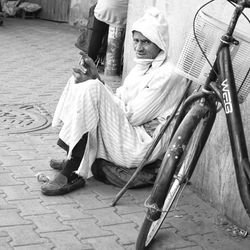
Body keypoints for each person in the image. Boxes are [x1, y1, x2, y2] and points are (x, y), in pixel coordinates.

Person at [41, 7, 188, 196]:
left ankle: (72, 169)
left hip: (139, 144)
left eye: (146, 42)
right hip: (128, 131)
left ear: (159, 42)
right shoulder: (141, 67)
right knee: (80, 82)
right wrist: (97, 78)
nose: (139, 48)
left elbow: (133, 116)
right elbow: (118, 101)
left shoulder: (167, 74)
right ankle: (75, 155)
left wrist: (97, 85)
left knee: (92, 88)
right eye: (136, 41)